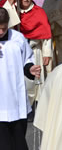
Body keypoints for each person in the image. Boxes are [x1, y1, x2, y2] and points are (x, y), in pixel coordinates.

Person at [0, 8, 41, 150]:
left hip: (16, 102)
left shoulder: (18, 38)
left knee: (18, 144)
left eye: (3, 28)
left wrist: (30, 69)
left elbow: (26, 59)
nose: (0, 32)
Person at [18, 0, 53, 104]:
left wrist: (46, 54)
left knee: (35, 80)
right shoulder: (15, 11)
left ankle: (34, 107)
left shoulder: (39, 12)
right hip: (18, 53)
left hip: (34, 51)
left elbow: (46, 36)